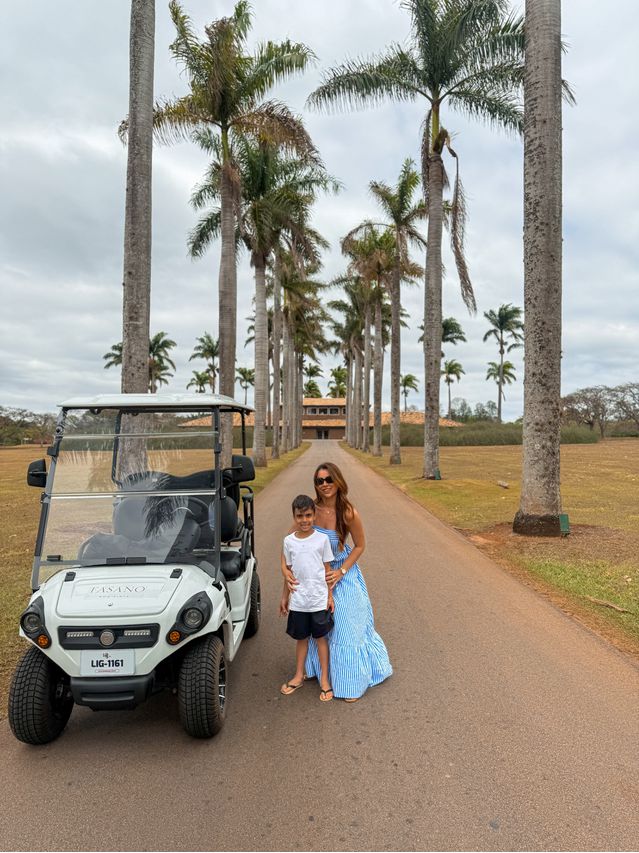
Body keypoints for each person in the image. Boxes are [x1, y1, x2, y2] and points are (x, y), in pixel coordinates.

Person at [282, 462, 392, 702]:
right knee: (315, 624)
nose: (324, 485)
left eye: (329, 479)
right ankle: (314, 671)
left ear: (338, 480)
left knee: (345, 625)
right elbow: (289, 542)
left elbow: (360, 545)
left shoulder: (348, 512)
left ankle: (350, 681)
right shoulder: (311, 509)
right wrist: (286, 573)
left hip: (342, 572)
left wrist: (341, 571)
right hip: (314, 577)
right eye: (319, 481)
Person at [279, 494, 336, 702]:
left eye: (308, 515)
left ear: (314, 515)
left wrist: (330, 596)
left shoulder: (322, 540)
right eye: (300, 516)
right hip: (299, 601)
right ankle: (298, 675)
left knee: (321, 639)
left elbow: (328, 570)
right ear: (294, 517)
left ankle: (324, 679)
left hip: (318, 600)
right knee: (301, 639)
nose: (304, 520)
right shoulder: (288, 542)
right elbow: (288, 572)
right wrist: (284, 597)